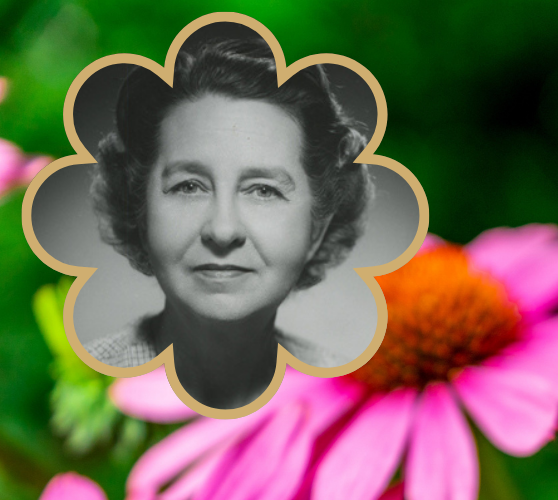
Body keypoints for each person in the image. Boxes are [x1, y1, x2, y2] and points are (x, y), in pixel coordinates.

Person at [86, 34, 372, 409]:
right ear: (140, 213)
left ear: (316, 230)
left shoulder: (342, 387)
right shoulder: (99, 377)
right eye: (189, 186)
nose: (222, 231)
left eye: (264, 190)